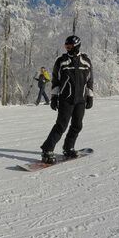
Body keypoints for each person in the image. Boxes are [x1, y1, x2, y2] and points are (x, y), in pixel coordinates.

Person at [40, 35, 93, 164]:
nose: (67, 48)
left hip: (80, 99)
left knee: (77, 125)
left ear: (76, 45)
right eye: (66, 46)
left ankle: (68, 147)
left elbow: (90, 80)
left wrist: (90, 96)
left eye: (69, 46)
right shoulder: (61, 61)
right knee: (61, 125)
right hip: (66, 99)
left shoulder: (86, 61)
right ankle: (47, 149)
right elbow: (55, 81)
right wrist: (54, 97)